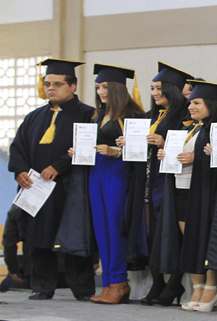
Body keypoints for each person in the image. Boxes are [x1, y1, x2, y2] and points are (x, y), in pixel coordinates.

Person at [8, 58, 96, 301]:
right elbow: (18, 148)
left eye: (57, 84)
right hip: (36, 188)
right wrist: (21, 171)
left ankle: (82, 288)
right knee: (37, 238)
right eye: (47, 84)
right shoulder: (33, 117)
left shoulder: (88, 115)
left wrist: (59, 166)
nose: (51, 88)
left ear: (73, 86)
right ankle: (41, 286)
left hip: (69, 187)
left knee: (73, 234)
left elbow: (85, 148)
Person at [158, 80, 217, 312]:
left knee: (207, 240)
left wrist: (197, 159)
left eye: (196, 102)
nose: (190, 107)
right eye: (190, 103)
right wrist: (167, 152)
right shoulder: (190, 128)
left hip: (206, 192)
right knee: (191, 240)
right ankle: (197, 286)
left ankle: (212, 288)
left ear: (210, 104)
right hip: (182, 189)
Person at [71, 64, 143, 304]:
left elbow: (138, 152)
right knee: (101, 229)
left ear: (117, 89)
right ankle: (108, 283)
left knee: (115, 228)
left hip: (117, 172)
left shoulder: (132, 116)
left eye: (105, 87)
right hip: (96, 171)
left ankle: (120, 282)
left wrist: (115, 152)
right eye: (98, 87)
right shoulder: (99, 115)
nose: (101, 91)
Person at [129, 62, 193, 306]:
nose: (155, 92)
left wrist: (163, 142)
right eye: (152, 88)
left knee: (167, 232)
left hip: (167, 180)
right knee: (149, 231)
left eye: (160, 88)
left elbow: (184, 146)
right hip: (146, 179)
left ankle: (174, 282)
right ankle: (158, 282)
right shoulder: (150, 115)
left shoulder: (183, 117)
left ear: (172, 90)